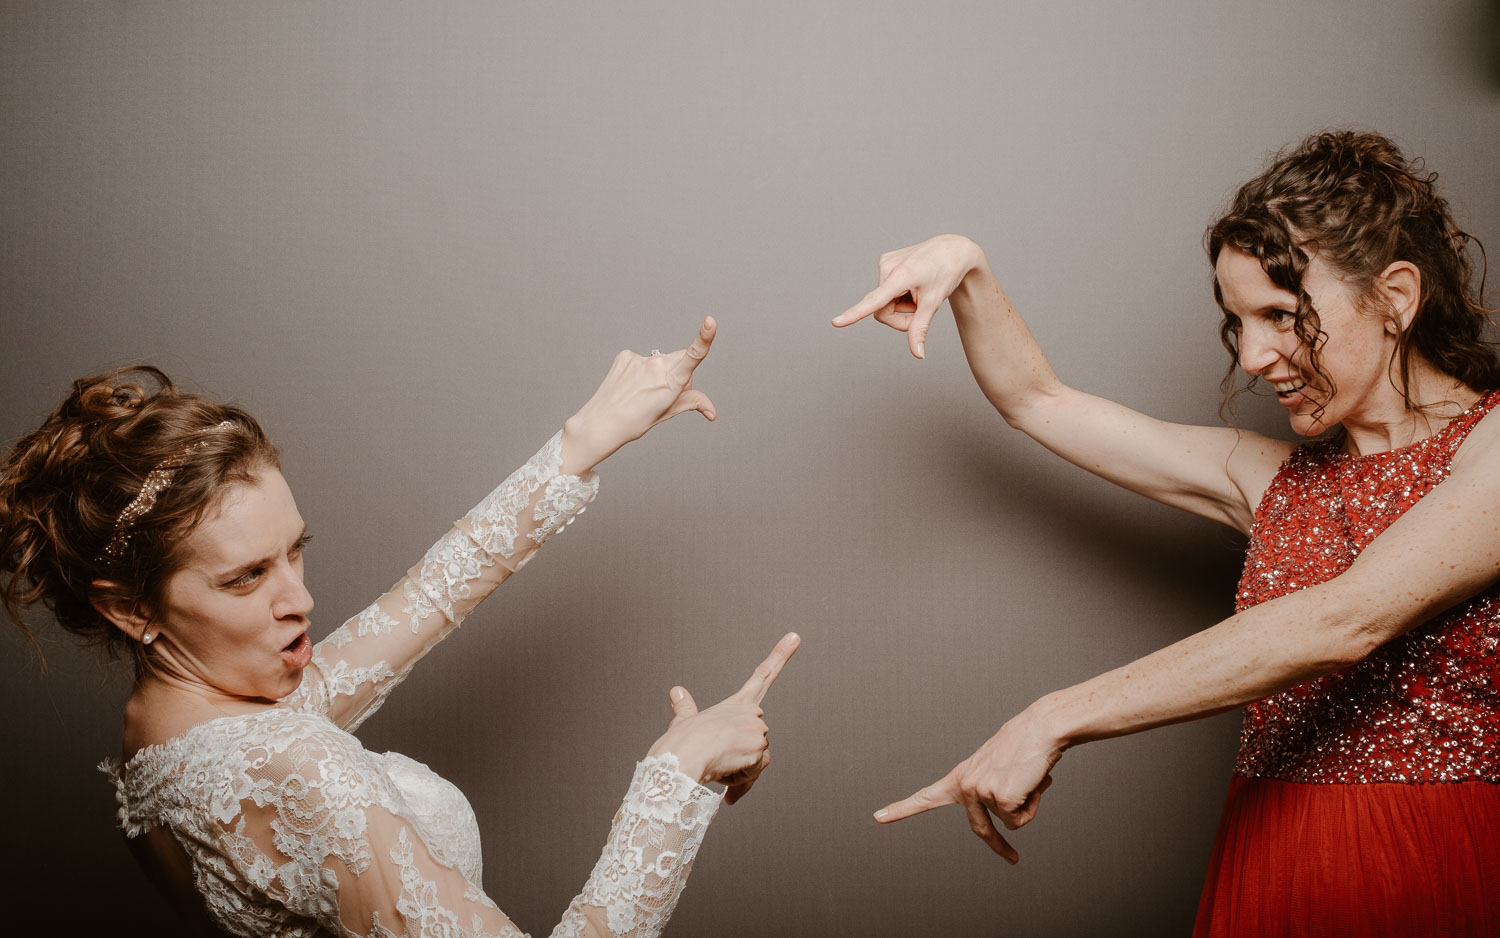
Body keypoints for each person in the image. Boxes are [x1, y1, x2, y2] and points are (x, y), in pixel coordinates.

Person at [832, 131, 1500, 935]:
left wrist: (1053, 716)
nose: (1252, 354)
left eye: (1281, 315)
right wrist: (967, 266)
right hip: (1270, 868)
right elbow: (1038, 401)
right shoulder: (1275, 480)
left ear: (1395, 296)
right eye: (1238, 320)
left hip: (1438, 873)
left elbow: (1345, 618)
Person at [0, 317, 801, 938]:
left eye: (295, 553)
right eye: (247, 577)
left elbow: (426, 600)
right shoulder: (291, 764)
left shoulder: (172, 733)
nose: (298, 601)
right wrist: (675, 775)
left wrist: (582, 442)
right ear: (129, 607)